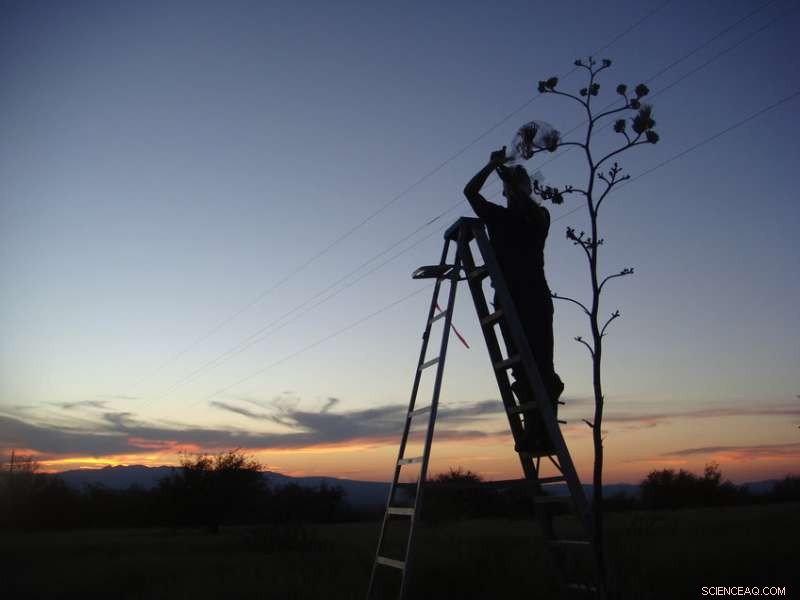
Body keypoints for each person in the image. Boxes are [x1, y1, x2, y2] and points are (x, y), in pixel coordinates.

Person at [463, 147, 563, 452]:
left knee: (538, 366)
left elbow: (475, 193)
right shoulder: (505, 217)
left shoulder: (533, 217)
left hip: (528, 299)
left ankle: (543, 434)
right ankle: (536, 433)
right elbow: (471, 192)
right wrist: (494, 167)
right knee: (525, 368)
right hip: (514, 299)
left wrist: (502, 174)